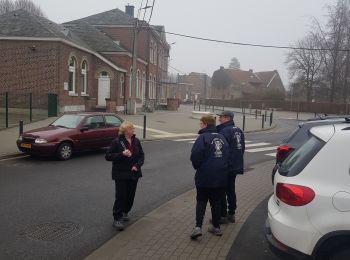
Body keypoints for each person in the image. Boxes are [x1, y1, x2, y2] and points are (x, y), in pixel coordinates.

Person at [190, 114, 230, 239]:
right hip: (220, 177)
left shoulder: (202, 138)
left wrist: (199, 167)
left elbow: (195, 156)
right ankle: (216, 227)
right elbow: (228, 156)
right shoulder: (222, 137)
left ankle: (198, 228)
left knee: (201, 200)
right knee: (216, 202)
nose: (200, 126)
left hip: (205, 176)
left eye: (201, 123)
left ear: (206, 125)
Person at [105, 121, 144, 231]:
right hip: (121, 173)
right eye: (131, 129)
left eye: (132, 128)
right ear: (125, 131)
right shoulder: (117, 142)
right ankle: (117, 218)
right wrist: (121, 154)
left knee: (130, 195)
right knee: (121, 196)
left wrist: (137, 165)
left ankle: (125, 211)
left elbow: (141, 155)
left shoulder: (136, 141)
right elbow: (107, 156)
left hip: (134, 173)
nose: (133, 130)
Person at [216, 111, 245, 223]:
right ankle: (231, 213)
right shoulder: (238, 130)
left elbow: (221, 150)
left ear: (227, 118)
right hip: (235, 165)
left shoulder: (224, 131)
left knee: (222, 191)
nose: (219, 120)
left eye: (221, 117)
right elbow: (242, 148)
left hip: (226, 166)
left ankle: (222, 216)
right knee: (231, 190)